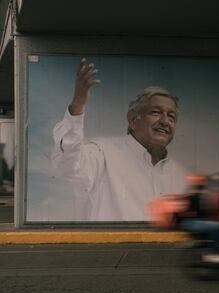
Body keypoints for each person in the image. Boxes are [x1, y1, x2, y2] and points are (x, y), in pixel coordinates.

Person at [51, 59, 187, 221]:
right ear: (133, 119)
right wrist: (78, 104)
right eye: (156, 112)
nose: (165, 121)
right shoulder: (103, 155)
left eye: (171, 117)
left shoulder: (181, 175)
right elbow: (68, 165)